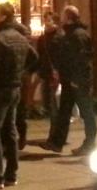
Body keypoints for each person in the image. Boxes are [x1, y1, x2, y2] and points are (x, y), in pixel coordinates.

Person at [0, 2, 36, 189]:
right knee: (10, 131)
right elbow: (35, 59)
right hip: (14, 88)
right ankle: (11, 174)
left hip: (0, 89)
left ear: (3, 17)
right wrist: (21, 73)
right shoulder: (20, 38)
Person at [42, 5, 96, 156]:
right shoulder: (71, 33)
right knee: (64, 111)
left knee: (86, 112)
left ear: (69, 18)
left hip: (77, 81)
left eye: (64, 15)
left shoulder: (78, 35)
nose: (61, 18)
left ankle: (90, 143)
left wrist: (76, 80)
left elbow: (81, 60)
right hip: (69, 80)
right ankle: (56, 142)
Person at [35, 10, 63, 143]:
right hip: (46, 74)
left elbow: (62, 57)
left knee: (53, 106)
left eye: (49, 20)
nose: (46, 22)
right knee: (48, 104)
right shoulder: (42, 38)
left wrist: (58, 71)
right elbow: (40, 56)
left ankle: (54, 136)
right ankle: (56, 133)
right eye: (45, 19)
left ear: (55, 22)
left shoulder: (60, 37)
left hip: (56, 75)